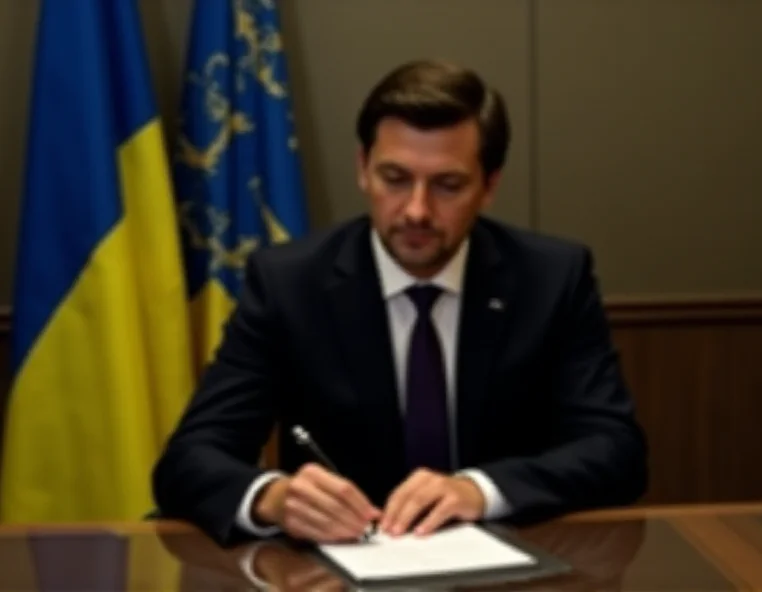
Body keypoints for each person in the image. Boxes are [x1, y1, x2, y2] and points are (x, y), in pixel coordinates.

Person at [152, 59, 648, 547]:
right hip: (339, 574)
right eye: (394, 178)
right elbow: (190, 459)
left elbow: (616, 451)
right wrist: (274, 499)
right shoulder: (290, 284)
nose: (416, 210)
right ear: (362, 169)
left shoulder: (551, 278)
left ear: (489, 186)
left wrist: (481, 490)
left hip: (511, 571)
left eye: (447, 186)